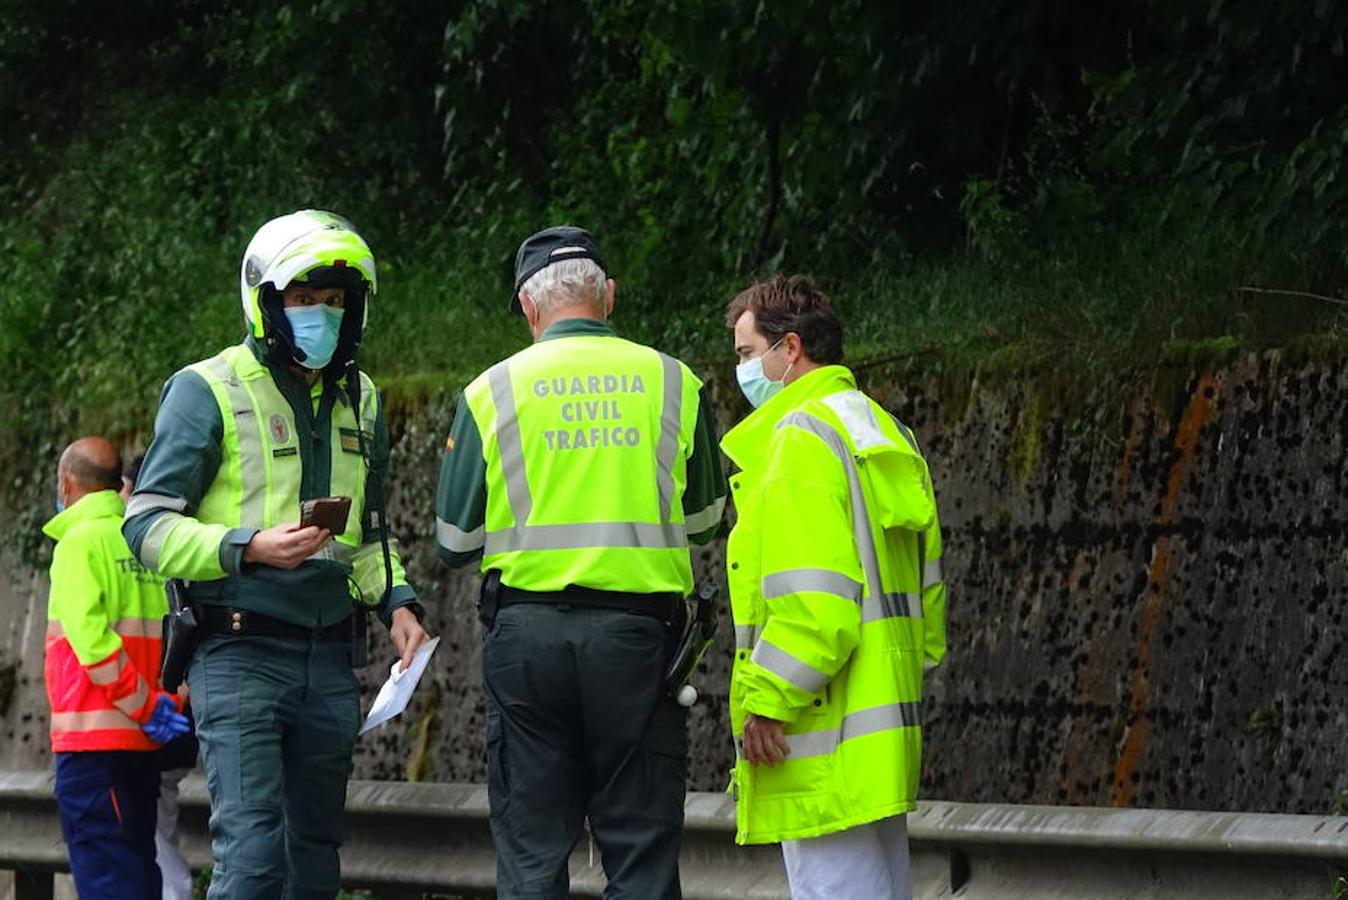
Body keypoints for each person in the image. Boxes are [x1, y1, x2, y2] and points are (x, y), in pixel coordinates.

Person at [123, 209, 430, 899]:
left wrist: (399, 602)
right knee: (255, 858)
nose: (321, 314)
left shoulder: (364, 398)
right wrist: (246, 547)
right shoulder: (207, 388)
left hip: (329, 658)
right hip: (238, 653)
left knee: (314, 860)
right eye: (302, 300)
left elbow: (368, 537)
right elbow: (145, 526)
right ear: (265, 299)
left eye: (334, 301)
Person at [435, 225, 727, 899]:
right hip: (638, 644)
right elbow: (707, 520)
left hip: (527, 644)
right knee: (641, 852)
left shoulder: (490, 391)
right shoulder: (675, 383)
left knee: (533, 854)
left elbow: (453, 541)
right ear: (610, 296)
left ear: (527, 308)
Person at [719, 275, 948, 900]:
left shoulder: (799, 440)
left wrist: (767, 698)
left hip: (820, 725)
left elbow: (815, 604)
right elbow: (927, 594)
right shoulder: (881, 431)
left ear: (789, 349)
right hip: (881, 723)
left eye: (745, 354)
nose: (740, 369)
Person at [44, 437, 192, 899]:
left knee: (110, 881)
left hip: (93, 744)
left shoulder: (79, 543)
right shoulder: (144, 544)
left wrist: (144, 705)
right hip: (143, 747)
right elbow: (176, 637)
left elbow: (93, 646)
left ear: (66, 484)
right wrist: (161, 707)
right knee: (139, 877)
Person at [121, 452, 198, 900]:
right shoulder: (184, 540)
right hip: (169, 710)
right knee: (157, 827)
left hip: (148, 715)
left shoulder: (133, 546)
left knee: (151, 835)